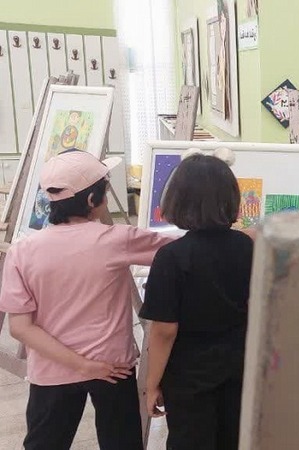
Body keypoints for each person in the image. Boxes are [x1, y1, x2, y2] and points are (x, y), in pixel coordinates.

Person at [0, 150, 175, 450]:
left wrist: (80, 365)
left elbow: (20, 328)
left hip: (51, 370)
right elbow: (182, 249)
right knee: (121, 443)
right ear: (93, 200)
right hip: (112, 367)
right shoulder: (117, 239)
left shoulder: (22, 251)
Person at [139, 153, 254, 450]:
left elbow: (164, 331)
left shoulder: (172, 257)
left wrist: (151, 383)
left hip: (189, 375)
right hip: (240, 365)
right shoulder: (247, 246)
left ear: (178, 200)